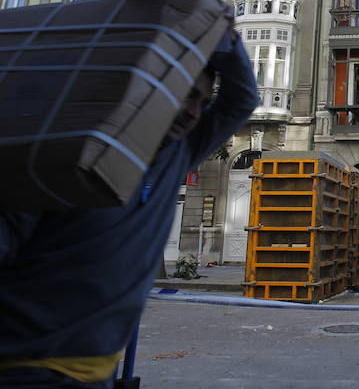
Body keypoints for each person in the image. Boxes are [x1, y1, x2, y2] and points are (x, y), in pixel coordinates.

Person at [0, 22, 258, 388]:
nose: (192, 111)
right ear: (148, 89)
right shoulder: (70, 152)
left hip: (97, 371)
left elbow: (241, 100)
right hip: (26, 369)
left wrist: (224, 37)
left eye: (201, 101)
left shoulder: (178, 152)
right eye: (184, 95)